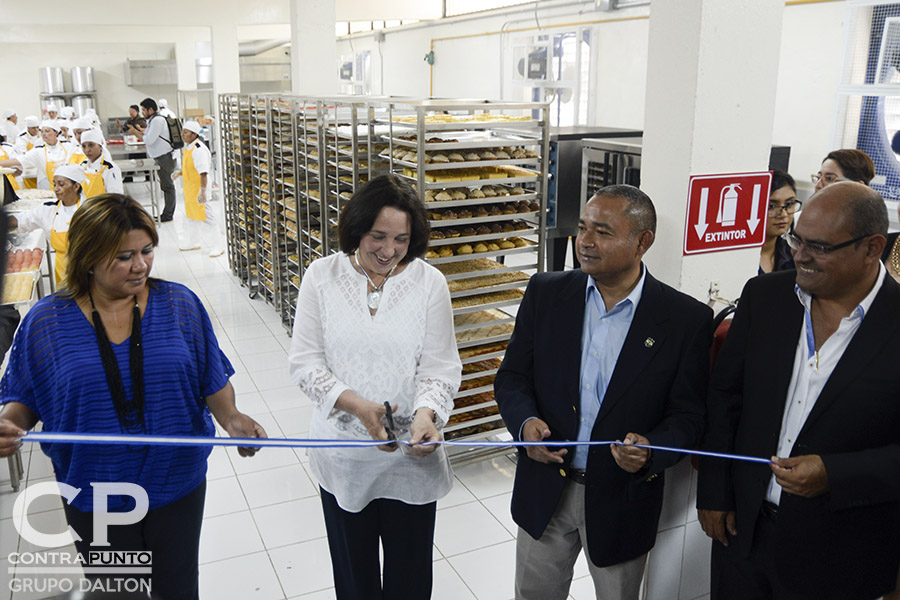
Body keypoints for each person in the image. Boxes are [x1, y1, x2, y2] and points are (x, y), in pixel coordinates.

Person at [0, 194, 267, 598]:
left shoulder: (180, 305)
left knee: (176, 586)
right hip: (95, 490)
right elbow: (26, 394)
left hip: (176, 481)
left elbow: (210, 378)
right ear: (88, 257)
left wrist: (231, 418)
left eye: (146, 251)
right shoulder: (47, 321)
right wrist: (10, 425)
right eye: (124, 256)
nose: (140, 265)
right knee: (115, 590)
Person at [495, 184, 712, 600]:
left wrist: (651, 449)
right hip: (546, 493)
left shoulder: (685, 320)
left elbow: (689, 418)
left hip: (622, 502)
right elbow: (512, 377)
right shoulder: (546, 292)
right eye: (582, 227)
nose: (585, 242)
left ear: (642, 242)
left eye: (603, 231)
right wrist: (525, 425)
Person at [697, 181, 900, 600]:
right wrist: (715, 492)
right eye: (797, 240)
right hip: (744, 532)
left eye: (820, 247)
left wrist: (835, 475)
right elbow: (725, 398)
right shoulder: (766, 297)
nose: (800, 255)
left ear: (872, 248)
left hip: (841, 550)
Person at [289, 174, 461, 600]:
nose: (388, 251)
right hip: (344, 455)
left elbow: (439, 367)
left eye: (401, 239)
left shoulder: (429, 283)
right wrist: (358, 407)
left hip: (410, 458)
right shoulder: (321, 277)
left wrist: (426, 415)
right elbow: (305, 363)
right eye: (378, 236)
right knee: (355, 578)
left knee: (410, 577)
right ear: (357, 229)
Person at [7, 163, 85, 285]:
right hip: (62, 270)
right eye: (54, 184)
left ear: (76, 186)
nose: (56, 188)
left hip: (88, 268)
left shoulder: (90, 209)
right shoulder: (49, 209)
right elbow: (22, 220)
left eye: (61, 184)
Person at [174, 121, 224, 256]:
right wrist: (180, 172)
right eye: (182, 131)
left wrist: (202, 192)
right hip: (190, 188)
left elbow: (203, 173)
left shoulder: (199, 149)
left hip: (199, 188)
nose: (182, 135)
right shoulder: (189, 147)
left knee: (207, 217)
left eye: (186, 132)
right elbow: (191, 167)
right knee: (191, 216)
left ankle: (219, 245)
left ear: (194, 134)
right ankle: (194, 242)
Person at [0, 120, 72, 191]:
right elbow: (19, 160)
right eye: (42, 131)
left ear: (56, 132)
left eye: (47, 131)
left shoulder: (68, 146)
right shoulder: (39, 150)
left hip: (70, 188)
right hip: (53, 188)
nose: (43, 134)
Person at [140, 98, 177, 222]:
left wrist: (138, 134)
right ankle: (167, 213)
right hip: (161, 156)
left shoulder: (158, 120)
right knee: (166, 186)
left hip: (165, 157)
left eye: (144, 110)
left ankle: (168, 215)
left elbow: (150, 139)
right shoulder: (153, 120)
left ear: (151, 109)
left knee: (168, 187)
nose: (143, 113)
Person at [759, 170, 799, 275]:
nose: (783, 214)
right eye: (771, 206)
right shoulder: (739, 257)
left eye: (789, 204)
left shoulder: (795, 255)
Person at [79, 129, 123, 196]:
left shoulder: (109, 168)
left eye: (91, 145)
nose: (87, 150)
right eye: (83, 146)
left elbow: (116, 196)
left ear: (100, 146)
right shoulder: (82, 166)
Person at [14, 116, 40, 189]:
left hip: (39, 166)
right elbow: (23, 154)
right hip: (28, 169)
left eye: (37, 127)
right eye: (33, 128)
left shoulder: (40, 134)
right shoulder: (22, 138)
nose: (36, 130)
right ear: (28, 128)